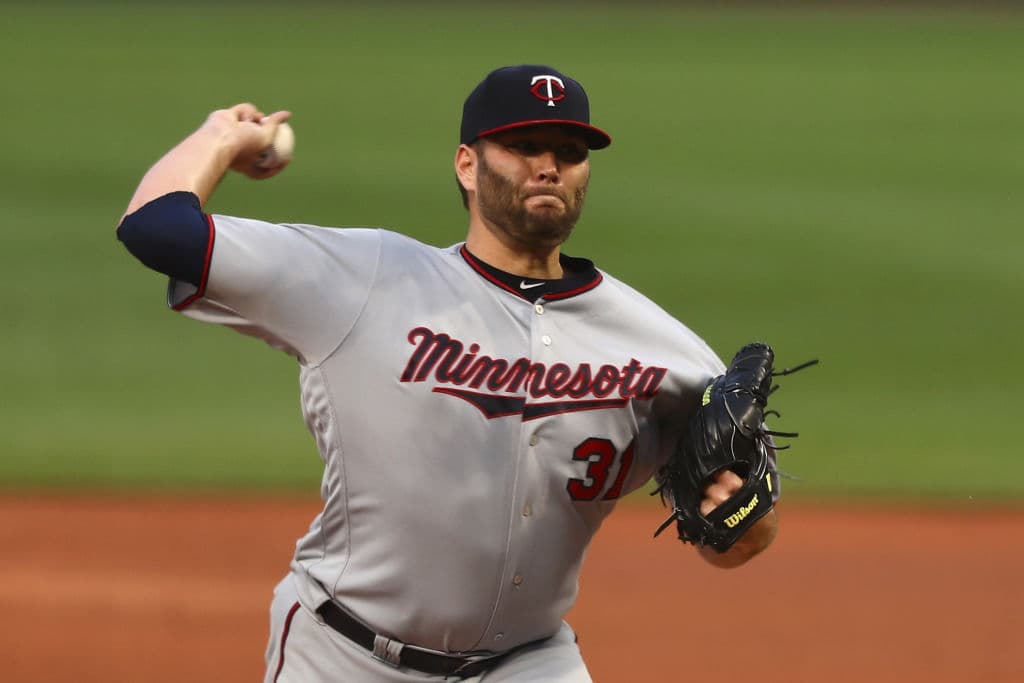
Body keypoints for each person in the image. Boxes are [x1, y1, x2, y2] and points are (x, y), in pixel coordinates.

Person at [117, 64, 778, 683]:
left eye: (569, 152)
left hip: (529, 663)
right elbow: (156, 227)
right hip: (342, 654)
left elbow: (738, 528)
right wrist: (223, 137)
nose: (548, 165)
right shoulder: (364, 278)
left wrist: (743, 528)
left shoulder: (664, 350)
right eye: (523, 144)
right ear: (467, 164)